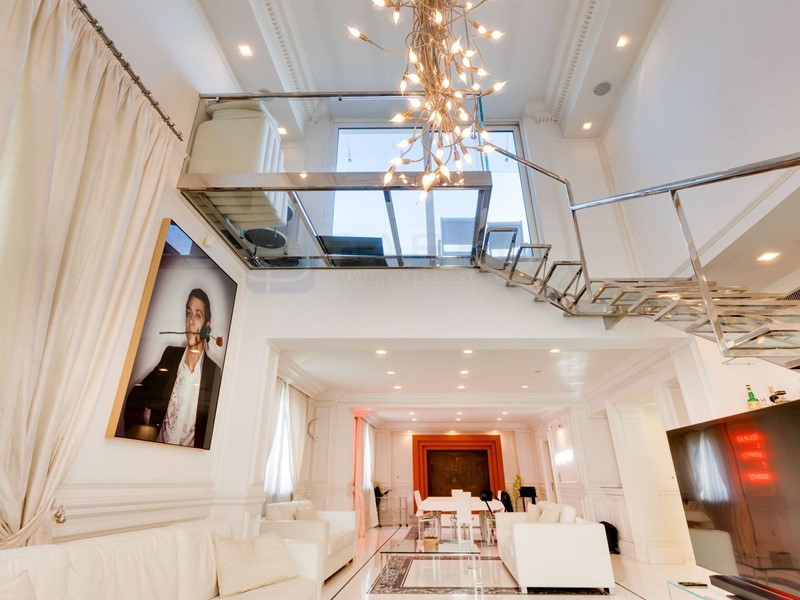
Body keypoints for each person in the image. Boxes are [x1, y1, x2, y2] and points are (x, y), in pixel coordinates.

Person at [123, 288, 222, 449]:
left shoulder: (214, 372)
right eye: (188, 313)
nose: (191, 321)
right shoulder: (171, 356)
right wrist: (139, 438)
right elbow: (135, 396)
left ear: (207, 326)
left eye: (198, 315)